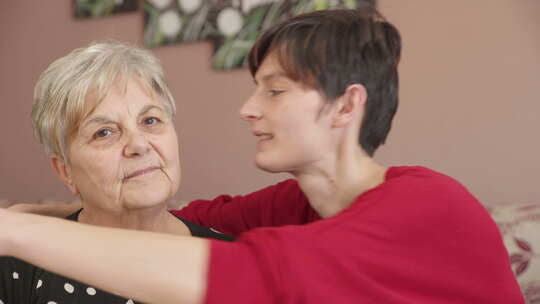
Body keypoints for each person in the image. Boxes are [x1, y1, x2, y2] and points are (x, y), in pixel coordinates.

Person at [0, 7, 524, 304]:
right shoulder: (297, 205)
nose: (248, 109)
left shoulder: (428, 206)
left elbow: (247, 274)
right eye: (104, 133)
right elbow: (182, 218)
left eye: (274, 91)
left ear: (346, 105)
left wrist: (13, 232)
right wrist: (33, 213)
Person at [0, 41, 233, 304]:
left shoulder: (234, 260)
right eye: (104, 132)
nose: (139, 145)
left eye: (150, 120)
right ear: (66, 172)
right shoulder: (18, 260)